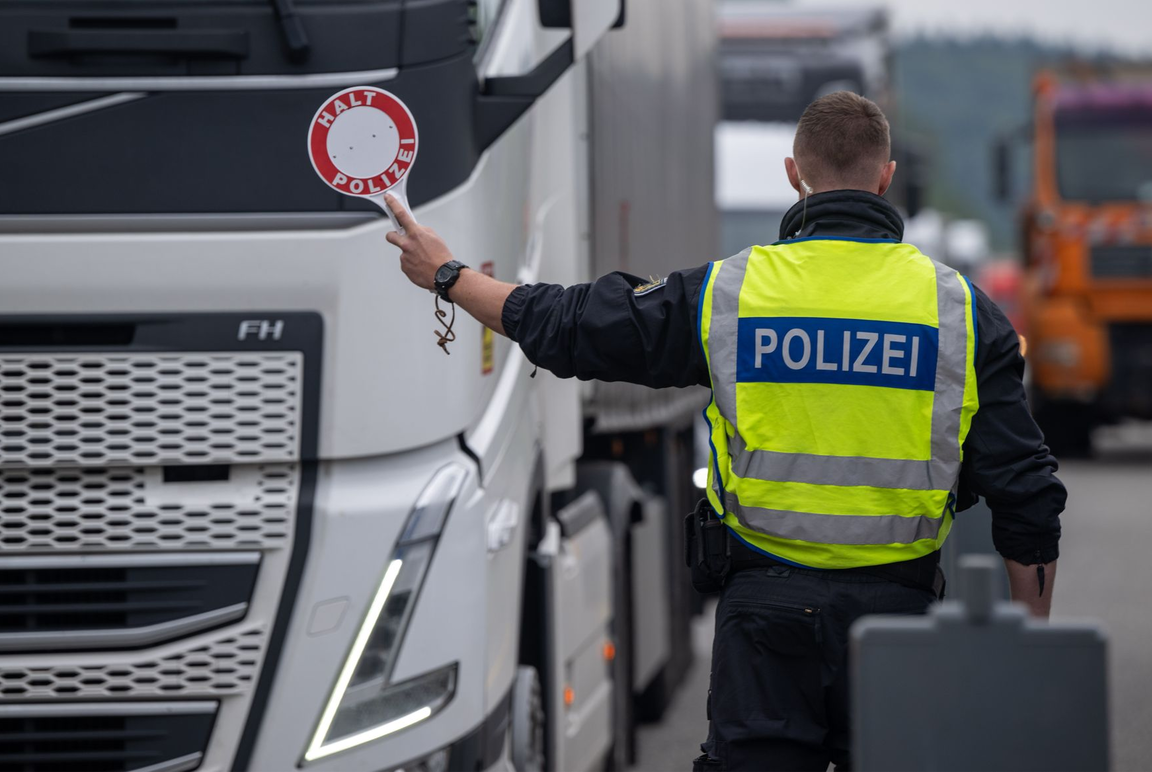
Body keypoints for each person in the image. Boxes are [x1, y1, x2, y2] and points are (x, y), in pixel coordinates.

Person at [384, 91, 1067, 772]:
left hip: (765, 623)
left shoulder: (729, 295)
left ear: (794, 175)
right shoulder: (961, 312)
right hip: (900, 621)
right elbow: (1026, 493)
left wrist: (449, 275)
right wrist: (1027, 650)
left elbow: (573, 325)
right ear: (886, 177)